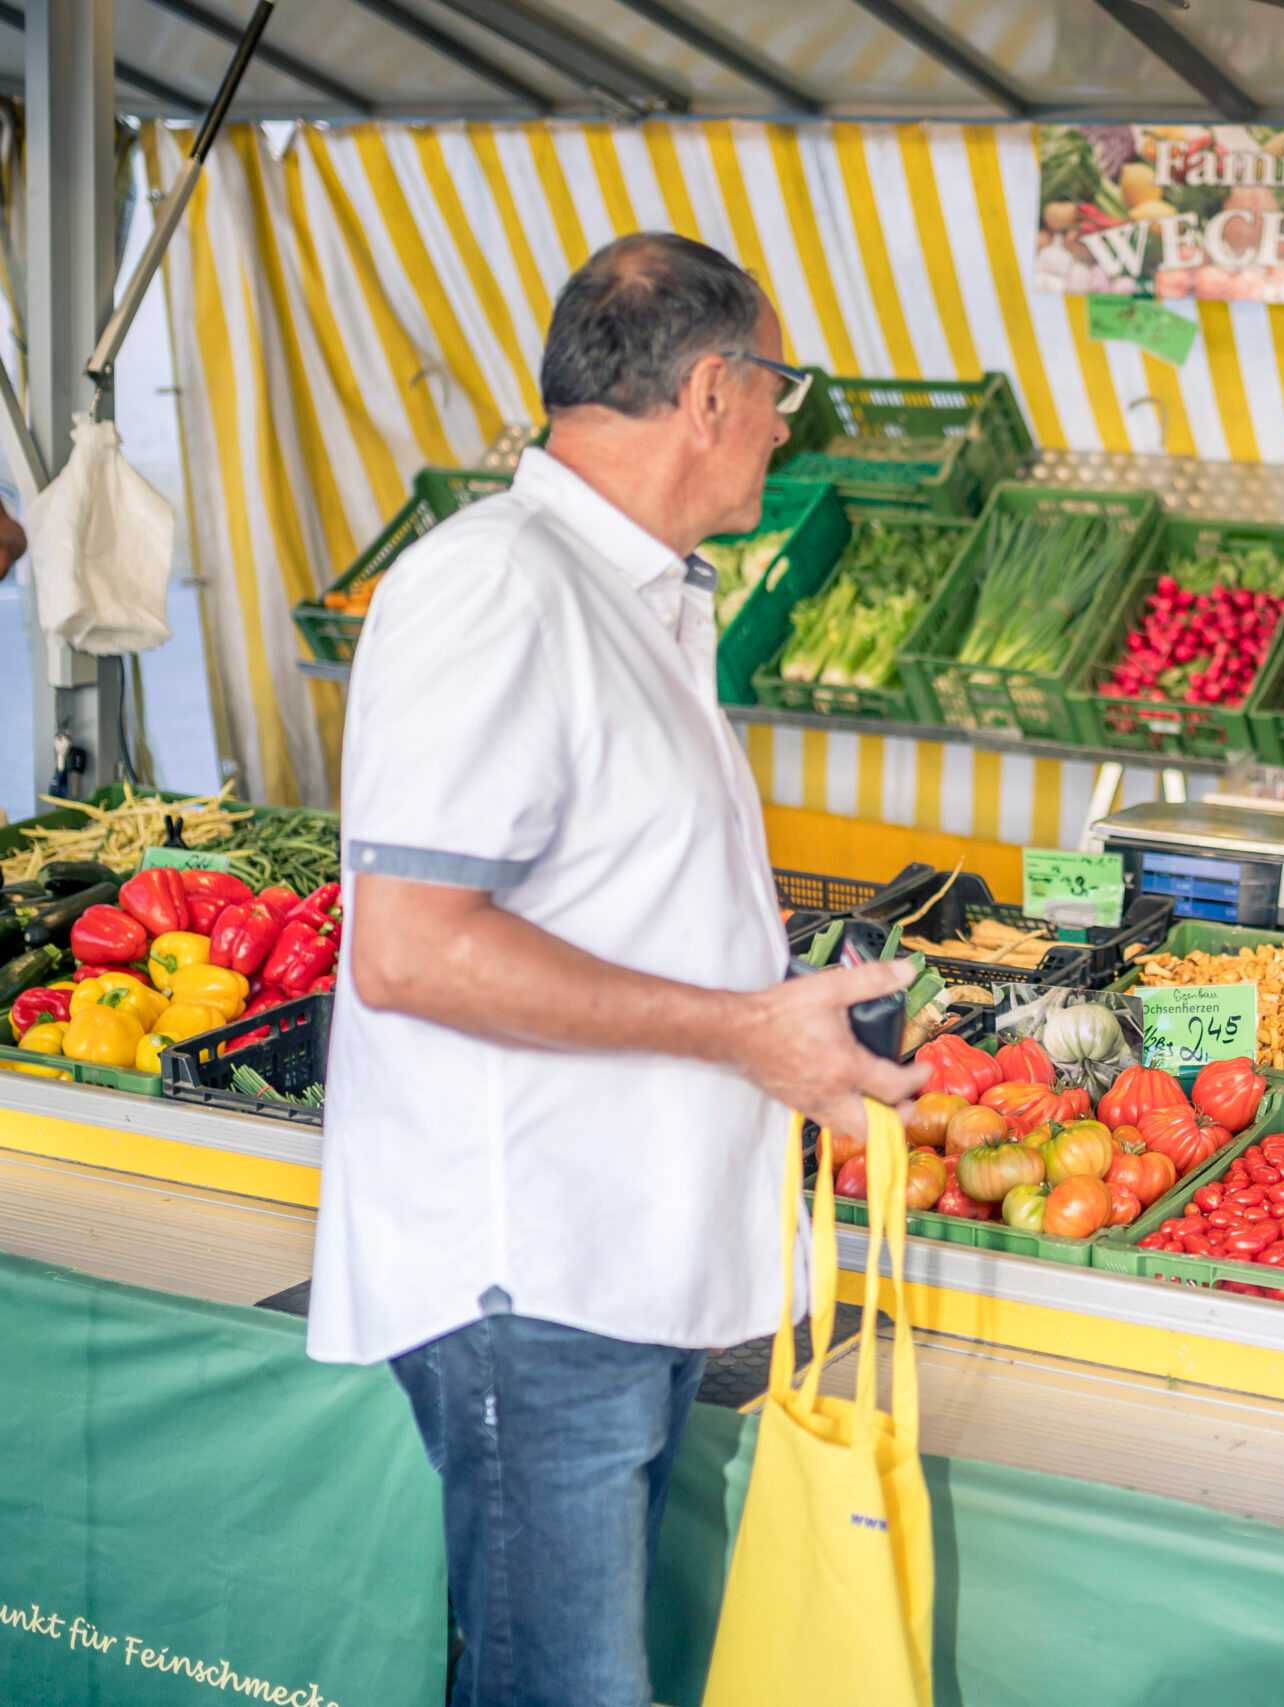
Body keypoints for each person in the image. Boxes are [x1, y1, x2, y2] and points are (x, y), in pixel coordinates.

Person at [308, 231, 927, 1703]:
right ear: (713, 391)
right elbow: (410, 949)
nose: (788, 424)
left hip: (613, 1261)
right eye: (781, 390)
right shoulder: (494, 587)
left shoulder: (634, 593)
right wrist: (744, 1031)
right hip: (534, 1272)